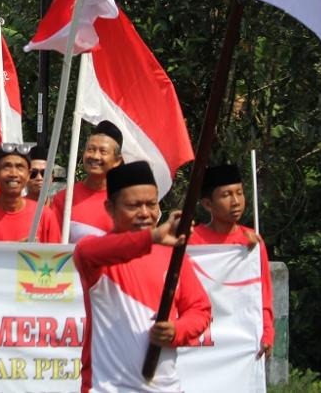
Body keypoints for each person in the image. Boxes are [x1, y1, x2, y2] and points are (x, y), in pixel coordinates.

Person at [74, 160, 211, 392]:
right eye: (134, 206)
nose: (145, 213)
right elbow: (87, 252)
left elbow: (200, 309)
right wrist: (152, 238)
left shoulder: (173, 254)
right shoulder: (96, 254)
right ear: (110, 208)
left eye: (151, 204)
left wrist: (176, 330)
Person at [190, 163, 274, 359]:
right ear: (207, 204)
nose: (236, 201)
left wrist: (267, 332)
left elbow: (263, 293)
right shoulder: (191, 241)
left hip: (240, 342)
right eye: (226, 195)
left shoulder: (252, 241)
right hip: (201, 340)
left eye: (240, 193)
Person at [0, 143, 61, 242]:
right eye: (6, 167)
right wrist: (17, 249)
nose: (13, 174)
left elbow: (56, 252)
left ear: (28, 174)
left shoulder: (44, 215)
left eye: (20, 167)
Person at [52, 120, 122, 242]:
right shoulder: (65, 199)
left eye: (103, 151)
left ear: (117, 161)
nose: (95, 156)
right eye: (90, 149)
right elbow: (52, 247)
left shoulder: (126, 202)